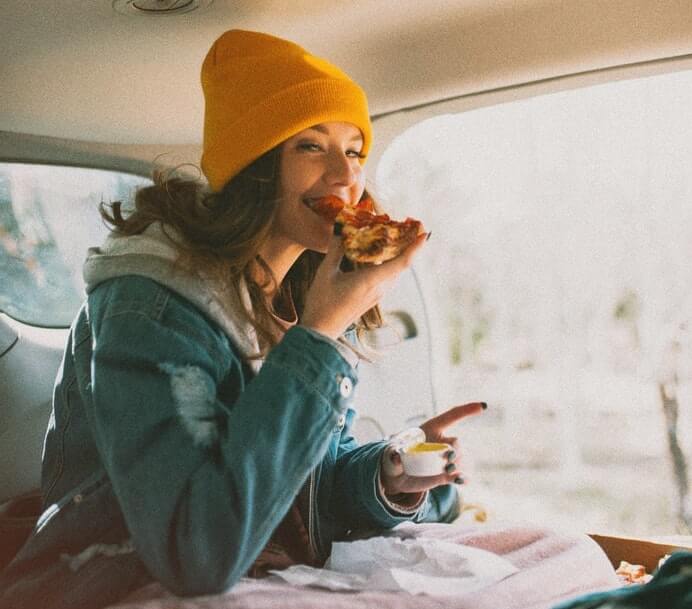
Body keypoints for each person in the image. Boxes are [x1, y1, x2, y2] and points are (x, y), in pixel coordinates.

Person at [0, 29, 485, 609]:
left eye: (354, 151)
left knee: (544, 552)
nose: (344, 176)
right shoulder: (148, 303)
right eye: (310, 146)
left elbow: (297, 483)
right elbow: (197, 552)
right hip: (110, 578)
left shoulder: (300, 293)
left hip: (263, 571)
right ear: (254, 166)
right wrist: (319, 336)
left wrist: (388, 474)